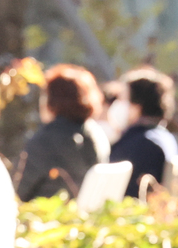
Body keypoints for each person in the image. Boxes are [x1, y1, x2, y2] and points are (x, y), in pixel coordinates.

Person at [17, 64, 111, 201]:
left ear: (51, 99)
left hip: (47, 218)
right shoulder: (96, 133)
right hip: (87, 217)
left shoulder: (45, 141)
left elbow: (16, 192)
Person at [110, 68, 178, 198]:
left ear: (138, 105)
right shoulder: (163, 137)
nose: (117, 105)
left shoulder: (141, 145)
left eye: (122, 99)